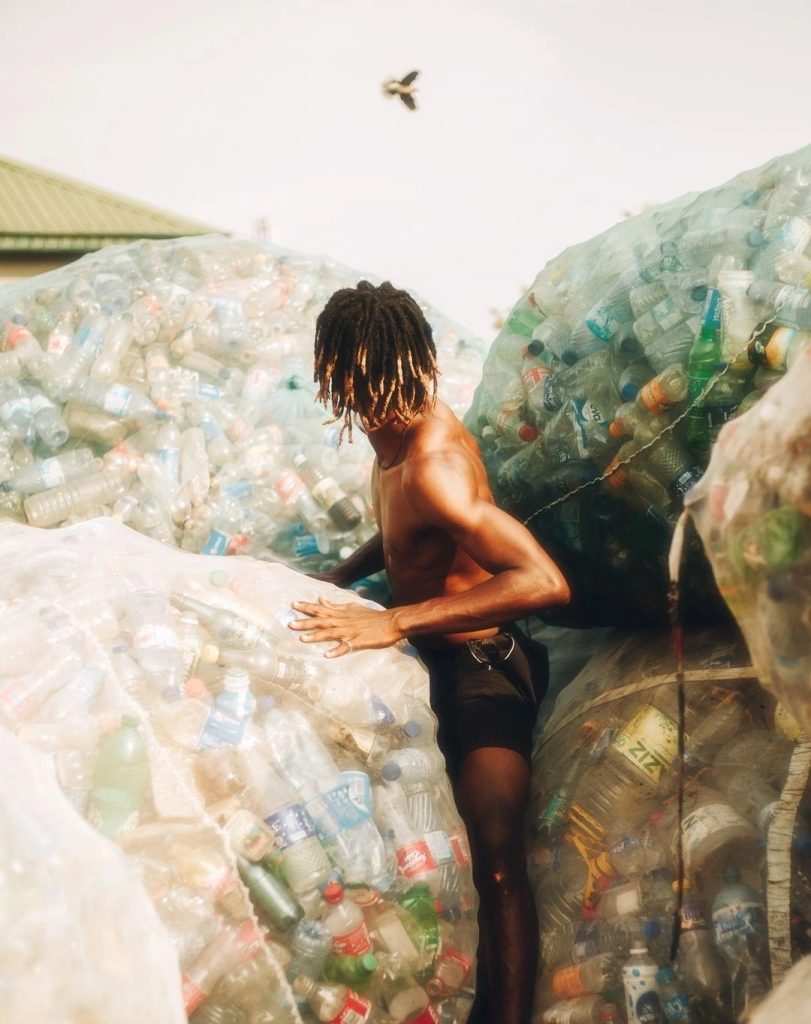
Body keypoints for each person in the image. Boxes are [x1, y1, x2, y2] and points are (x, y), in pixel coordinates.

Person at [288, 280, 571, 1024]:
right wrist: (339, 578)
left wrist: (396, 621)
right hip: (427, 658)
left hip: (484, 666)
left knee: (496, 855)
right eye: (356, 384)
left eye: (382, 381)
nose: (378, 402)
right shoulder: (387, 446)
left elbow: (543, 581)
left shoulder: (433, 465)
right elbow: (402, 533)